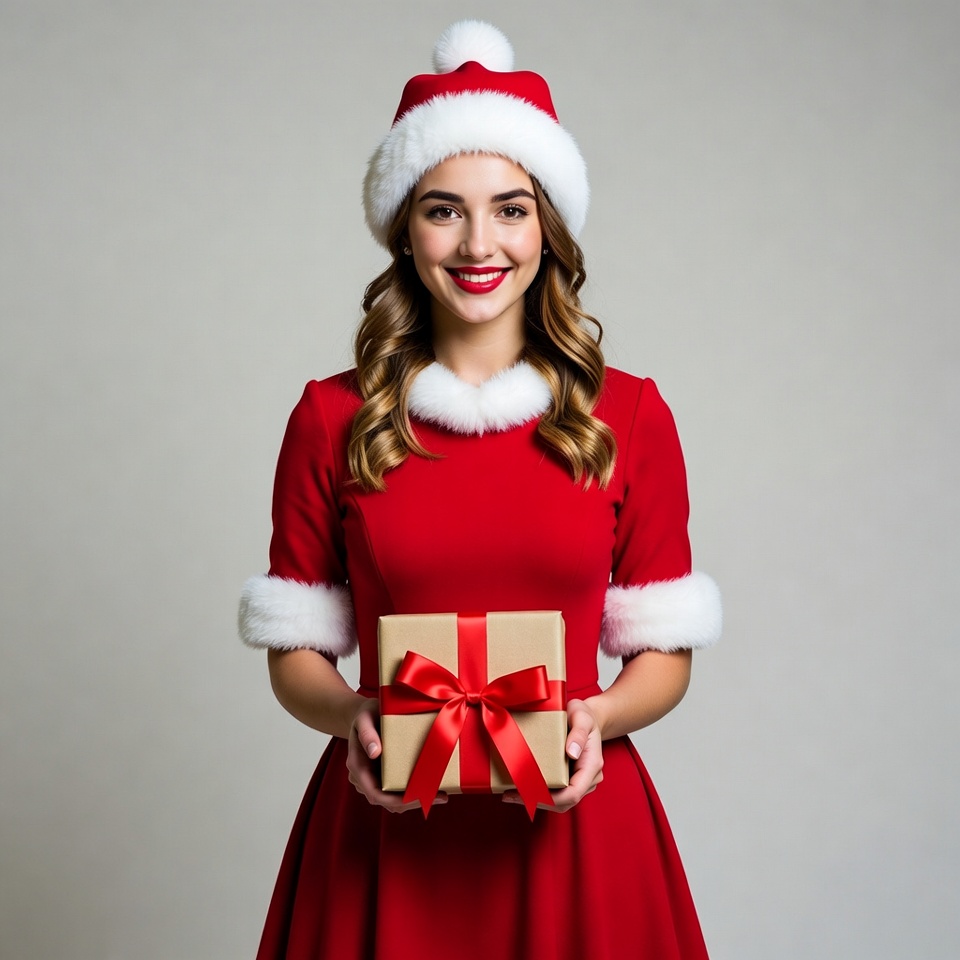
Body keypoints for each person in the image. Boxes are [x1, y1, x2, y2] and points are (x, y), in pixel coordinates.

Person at [239, 20, 722, 960]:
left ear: (547, 226)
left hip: (577, 833)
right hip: (384, 829)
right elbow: (294, 652)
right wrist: (354, 717)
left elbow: (665, 653)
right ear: (404, 228)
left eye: (509, 208)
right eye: (442, 209)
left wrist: (598, 721)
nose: (477, 243)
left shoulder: (629, 415)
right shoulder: (331, 418)